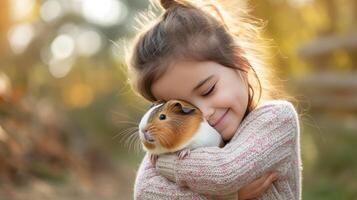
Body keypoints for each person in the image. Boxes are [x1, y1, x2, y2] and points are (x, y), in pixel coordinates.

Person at [126, 0, 302, 199]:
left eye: (208, 90)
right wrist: (230, 197)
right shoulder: (182, 140)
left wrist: (163, 162)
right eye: (186, 108)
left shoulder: (277, 119)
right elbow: (146, 193)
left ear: (239, 61)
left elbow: (225, 172)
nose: (204, 114)